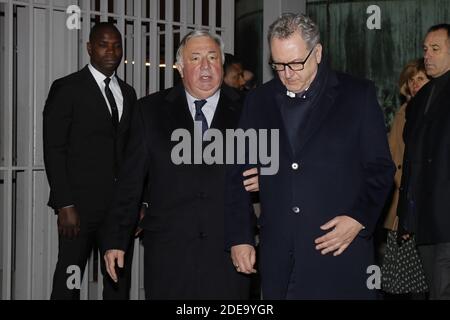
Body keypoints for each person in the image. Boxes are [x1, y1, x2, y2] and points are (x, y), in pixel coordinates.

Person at [225, 13, 394, 299]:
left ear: (317, 53)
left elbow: (381, 169)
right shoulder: (258, 101)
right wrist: (241, 237)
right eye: (278, 65)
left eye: (295, 63)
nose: (287, 73)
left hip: (339, 254)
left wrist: (359, 219)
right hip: (279, 258)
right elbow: (237, 174)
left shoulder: (357, 95)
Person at [104, 30, 257, 299]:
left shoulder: (250, 109)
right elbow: (130, 182)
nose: (206, 66)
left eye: (213, 57)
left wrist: (266, 176)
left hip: (230, 251)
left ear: (221, 64)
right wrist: (116, 240)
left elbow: (278, 166)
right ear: (180, 67)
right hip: (169, 255)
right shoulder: (148, 111)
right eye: (195, 58)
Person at [43, 22, 138, 300]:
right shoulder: (67, 88)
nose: (111, 51)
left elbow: (134, 153)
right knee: (69, 282)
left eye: (117, 45)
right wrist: (65, 203)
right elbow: (54, 149)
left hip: (118, 212)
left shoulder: (129, 94)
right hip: (78, 211)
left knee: (117, 283)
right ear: (89, 48)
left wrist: (138, 202)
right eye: (103, 44)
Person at [398, 24, 450, 299]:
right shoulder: (419, 101)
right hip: (425, 218)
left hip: (446, 215)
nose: (427, 55)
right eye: (425, 49)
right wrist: (406, 216)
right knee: (434, 288)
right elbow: (412, 160)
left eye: (436, 49)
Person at [384, 59, 430, 232]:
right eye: (411, 80)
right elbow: (391, 151)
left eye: (421, 79)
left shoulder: (434, 113)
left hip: (422, 197)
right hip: (400, 193)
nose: (415, 84)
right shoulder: (402, 112)